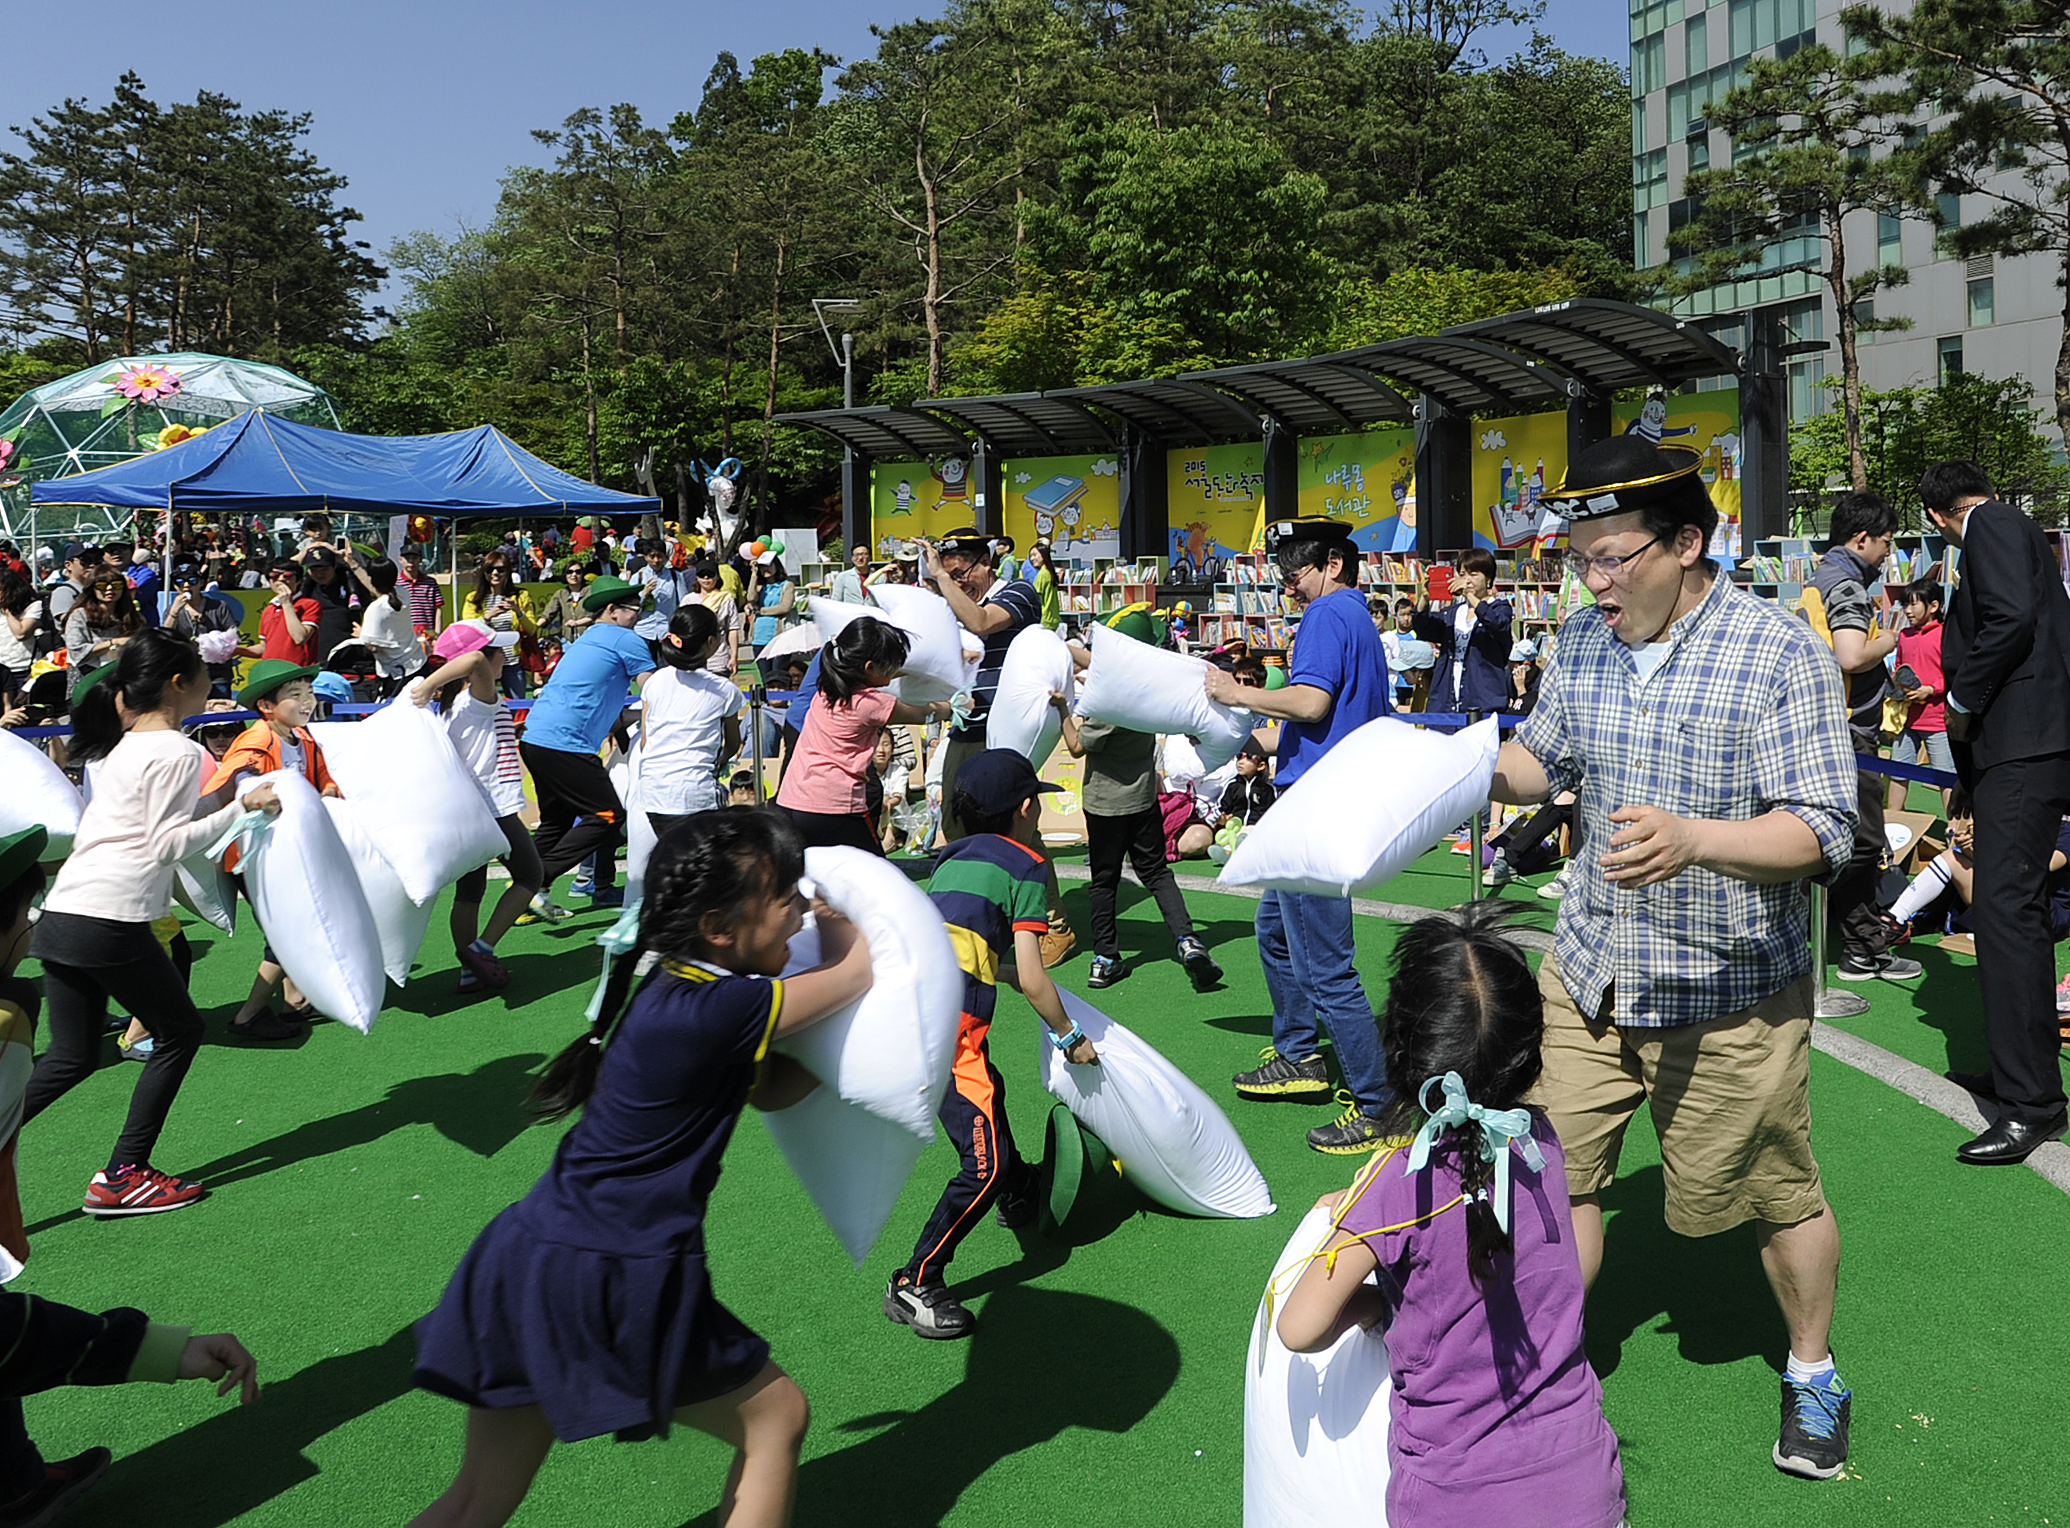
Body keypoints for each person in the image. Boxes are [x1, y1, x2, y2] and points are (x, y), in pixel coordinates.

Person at [1491, 436, 1859, 1480]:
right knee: (1558, 1176)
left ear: (1687, 542)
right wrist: (1450, 770)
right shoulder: (1581, 639)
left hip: (1728, 988)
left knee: (1771, 1192)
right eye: (1579, 559)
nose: (1593, 581)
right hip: (1589, 966)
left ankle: (1812, 1370)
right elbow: (1538, 757)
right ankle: (1542, 1361)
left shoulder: (1776, 649)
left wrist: (1697, 837)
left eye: (1613, 558)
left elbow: (1825, 829)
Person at [408, 810, 872, 1528]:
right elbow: (861, 967)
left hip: (529, 1256)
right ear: (718, 926)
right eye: (782, 895)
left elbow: (775, 1088)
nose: (794, 911)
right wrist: (839, 912)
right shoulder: (726, 1007)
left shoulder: (676, 989)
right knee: (774, 1418)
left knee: (477, 1497)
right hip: (615, 1271)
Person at [1278, 902, 1625, 1528]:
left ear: (1398, 1049)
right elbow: (1570, 1252)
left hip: (1454, 1499)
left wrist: (1377, 1297)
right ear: (1530, 1050)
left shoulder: (1390, 1189)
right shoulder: (1541, 1141)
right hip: (1586, 1484)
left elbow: (1300, 1328)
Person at [24, 632, 281, 1216]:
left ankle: (119, 1172)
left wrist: (227, 806)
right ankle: (124, 1174)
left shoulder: (119, 747)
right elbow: (163, 846)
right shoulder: (178, 750)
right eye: (203, 673)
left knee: (71, 1056)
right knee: (181, 1031)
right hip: (111, 918)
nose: (213, 682)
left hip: (65, 912)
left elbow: (150, 830)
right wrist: (241, 807)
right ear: (176, 683)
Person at [887, 751, 1099, 1340]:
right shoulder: (1027, 864)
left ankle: (1020, 1190)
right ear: (1027, 808)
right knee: (983, 1164)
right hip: (945, 1036)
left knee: (989, 1096)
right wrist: (1070, 1035)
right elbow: (1031, 975)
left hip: (912, 1020)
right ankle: (915, 1279)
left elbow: (975, 956)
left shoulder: (952, 859)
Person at [1205, 518, 1394, 1155]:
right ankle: (1299, 1055)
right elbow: (1322, 718)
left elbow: (1310, 704)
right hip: (1324, 792)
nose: (1288, 586)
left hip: (1318, 805)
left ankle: (1379, 1103)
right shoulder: (1355, 616)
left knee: (1326, 965)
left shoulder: (1326, 616)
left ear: (1332, 565)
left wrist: (1238, 692)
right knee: (1274, 930)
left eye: (1294, 573)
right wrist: (1243, 735)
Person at [1921, 459, 2070, 1163]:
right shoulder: (2011, 527)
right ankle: (2023, 1082)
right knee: (2011, 915)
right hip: (2019, 748)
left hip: (2024, 744)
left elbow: (2008, 618)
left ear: (1935, 516)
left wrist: (1959, 700)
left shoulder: (1993, 525)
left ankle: (2031, 1103)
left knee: (2008, 916)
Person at [919, 530, 1074, 964]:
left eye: (962, 572)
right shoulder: (953, 605)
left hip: (1008, 732)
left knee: (1017, 827)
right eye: (949, 575)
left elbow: (983, 623)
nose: (957, 581)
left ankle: (1054, 925)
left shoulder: (1020, 589)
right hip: (967, 725)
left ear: (986, 563)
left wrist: (941, 582)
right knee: (956, 820)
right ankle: (990, 913)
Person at [1807, 490, 1920, 983]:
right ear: (1861, 538)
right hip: (1850, 734)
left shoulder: (1822, 576)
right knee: (1861, 840)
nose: (1887, 553)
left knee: (1860, 839)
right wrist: (1891, 640)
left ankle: (1862, 947)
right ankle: (1835, 936)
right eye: (1886, 543)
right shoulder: (1846, 585)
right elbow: (1850, 656)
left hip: (1838, 727)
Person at [203, 661, 340, 1037]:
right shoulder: (256, 741)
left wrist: (325, 797)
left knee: (286, 929)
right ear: (266, 706)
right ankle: (249, 1015)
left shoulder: (305, 738)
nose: (306, 701)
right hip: (256, 855)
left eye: (308, 693)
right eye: (294, 695)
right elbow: (240, 779)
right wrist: (259, 795)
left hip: (286, 850)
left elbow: (326, 779)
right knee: (287, 933)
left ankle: (293, 999)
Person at [1054, 694, 1222, 992]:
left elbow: (1077, 746)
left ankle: (1105, 958)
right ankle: (1188, 940)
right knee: (1157, 874)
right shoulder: (1143, 698)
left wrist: (1063, 709)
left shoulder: (1110, 706)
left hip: (1105, 806)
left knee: (1104, 882)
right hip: (1143, 802)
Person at [411, 622, 540, 999]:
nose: (504, 657)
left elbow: (471, 661)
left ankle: (469, 971)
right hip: (494, 807)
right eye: (498, 651)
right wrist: (427, 683)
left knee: (470, 892)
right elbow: (473, 661)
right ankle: (481, 949)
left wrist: (430, 685)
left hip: (468, 810)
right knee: (531, 876)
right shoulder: (479, 698)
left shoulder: (449, 706)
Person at [520, 576, 655, 913]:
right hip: (567, 744)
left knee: (556, 821)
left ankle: (523, 896)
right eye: (633, 609)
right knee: (607, 815)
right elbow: (654, 691)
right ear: (612, 610)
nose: (638, 615)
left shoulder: (588, 638)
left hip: (536, 738)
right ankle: (539, 878)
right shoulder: (626, 639)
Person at [775, 617, 950, 853]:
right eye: (891, 664)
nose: (896, 669)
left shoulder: (826, 689)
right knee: (874, 873)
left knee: (810, 880)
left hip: (792, 802)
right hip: (835, 807)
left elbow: (883, 675)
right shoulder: (871, 703)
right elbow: (923, 713)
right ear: (869, 667)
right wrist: (955, 706)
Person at [638, 605, 745, 838]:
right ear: (711, 641)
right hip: (696, 794)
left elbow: (645, 742)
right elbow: (732, 744)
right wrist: (721, 761)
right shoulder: (724, 689)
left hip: (652, 793)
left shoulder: (654, 682)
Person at [1414, 548, 1512, 714]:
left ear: (1488, 579)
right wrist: (1424, 599)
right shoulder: (1452, 612)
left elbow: (1497, 624)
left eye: (1473, 575)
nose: (1466, 580)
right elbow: (1425, 630)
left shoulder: (1500, 608)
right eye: (1461, 574)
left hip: (1483, 700)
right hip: (1446, 701)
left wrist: (1469, 595)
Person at [1887, 579, 1954, 814]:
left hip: (1937, 720)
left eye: (1914, 605)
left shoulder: (1946, 634)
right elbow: (1899, 667)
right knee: (1898, 772)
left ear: (1933, 606)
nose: (1907, 610)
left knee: (1946, 777)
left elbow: (1954, 674)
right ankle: (1893, 825)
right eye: (1905, 604)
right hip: (1906, 718)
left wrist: (1931, 689)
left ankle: (1956, 835)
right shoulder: (1904, 635)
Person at [463, 552, 540, 699]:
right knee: (484, 706)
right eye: (490, 569)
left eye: (500, 569)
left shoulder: (521, 596)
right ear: (484, 572)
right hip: (485, 663)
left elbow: (531, 629)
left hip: (512, 662)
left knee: (517, 707)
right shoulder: (473, 598)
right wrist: (488, 616)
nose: (495, 573)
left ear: (508, 572)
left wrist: (518, 611)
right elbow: (469, 630)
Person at [160, 558, 240, 696]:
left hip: (217, 674)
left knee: (220, 714)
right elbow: (165, 636)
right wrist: (174, 612)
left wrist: (211, 643)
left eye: (192, 581)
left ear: (201, 583)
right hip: (186, 673)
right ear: (174, 586)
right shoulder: (171, 610)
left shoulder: (218, 606)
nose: (186, 585)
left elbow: (232, 637)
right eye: (180, 582)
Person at [358, 558, 428, 698]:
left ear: (371, 580)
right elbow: (378, 590)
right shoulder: (403, 594)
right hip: (418, 664)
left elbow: (373, 646)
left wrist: (360, 634)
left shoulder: (376, 609)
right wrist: (352, 563)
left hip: (398, 676)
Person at [61, 570, 141, 691]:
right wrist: (114, 643)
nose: (110, 589)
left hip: (122, 683)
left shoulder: (132, 616)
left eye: (116, 585)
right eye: (102, 585)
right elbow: (76, 650)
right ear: (92, 589)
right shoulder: (80, 615)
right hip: (87, 683)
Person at [634, 541, 694, 662]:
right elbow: (631, 607)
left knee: (667, 669)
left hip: (666, 631)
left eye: (659, 556)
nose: (656, 560)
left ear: (665, 557)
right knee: (645, 671)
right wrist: (644, 593)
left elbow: (683, 602)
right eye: (652, 556)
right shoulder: (639, 577)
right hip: (643, 631)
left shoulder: (675, 576)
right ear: (646, 557)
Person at [257, 557, 322, 667]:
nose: (281, 580)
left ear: (298, 580)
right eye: (274, 576)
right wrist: (235, 650)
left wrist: (287, 603)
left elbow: (300, 638)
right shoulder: (268, 610)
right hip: (271, 672)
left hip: (297, 671)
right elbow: (263, 647)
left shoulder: (310, 605)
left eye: (287, 576)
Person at [693, 562, 742, 680]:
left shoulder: (726, 599)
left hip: (719, 658)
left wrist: (734, 655)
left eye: (710, 575)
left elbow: (732, 628)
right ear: (696, 578)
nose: (706, 578)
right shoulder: (689, 600)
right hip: (695, 658)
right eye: (702, 575)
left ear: (717, 577)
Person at [540, 561, 595, 648]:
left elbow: (594, 616)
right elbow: (548, 614)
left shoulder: (591, 591)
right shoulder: (561, 594)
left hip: (589, 639)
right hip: (568, 641)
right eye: (570, 572)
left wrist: (576, 623)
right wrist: (534, 627)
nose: (574, 575)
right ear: (565, 575)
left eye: (578, 572)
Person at [745, 555, 795, 651]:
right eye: (762, 566)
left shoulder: (786, 585)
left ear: (776, 566)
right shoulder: (760, 587)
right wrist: (754, 574)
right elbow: (750, 598)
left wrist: (761, 611)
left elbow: (785, 607)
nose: (766, 569)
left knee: (778, 666)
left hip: (779, 635)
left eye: (769, 565)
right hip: (759, 636)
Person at [399, 543, 444, 640]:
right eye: (407, 558)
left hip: (427, 632)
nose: (411, 562)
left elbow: (438, 608)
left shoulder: (430, 582)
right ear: (401, 560)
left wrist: (437, 634)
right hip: (404, 632)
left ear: (420, 559)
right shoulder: (396, 583)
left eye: (414, 558)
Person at [1023, 542, 1061, 631]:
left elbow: (1036, 599)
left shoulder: (1042, 574)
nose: (1032, 559)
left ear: (1043, 554)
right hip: (1053, 619)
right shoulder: (1049, 572)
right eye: (1031, 556)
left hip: (1044, 620)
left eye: (1035, 555)